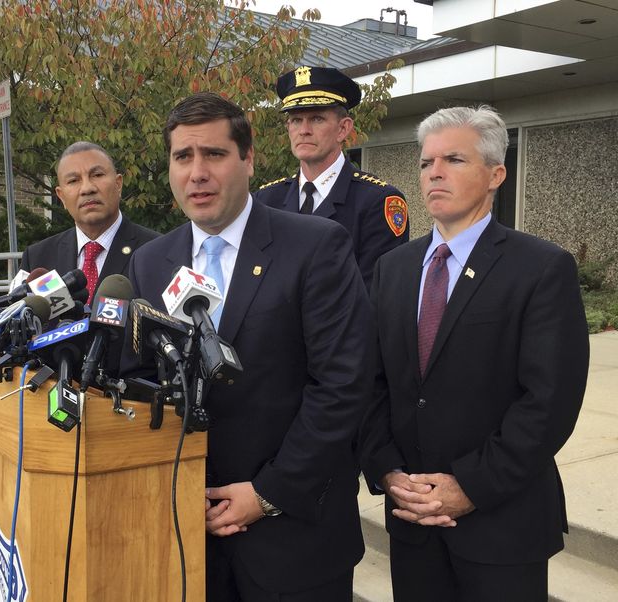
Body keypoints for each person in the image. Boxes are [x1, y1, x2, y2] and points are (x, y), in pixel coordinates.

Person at [126, 92, 373, 601]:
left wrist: (266, 494)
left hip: (293, 535)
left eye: (214, 154)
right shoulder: (150, 262)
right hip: (186, 531)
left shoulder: (315, 245)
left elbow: (343, 385)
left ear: (248, 159)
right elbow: (141, 382)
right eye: (182, 157)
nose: (197, 173)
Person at [360, 105, 589, 602]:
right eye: (426, 163)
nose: (434, 172)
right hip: (412, 519)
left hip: (501, 524)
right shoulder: (393, 268)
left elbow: (549, 401)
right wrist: (387, 471)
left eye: (454, 160)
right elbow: (374, 383)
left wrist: (470, 486)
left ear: (496, 174)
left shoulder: (541, 268)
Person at [254, 65, 408, 289]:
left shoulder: (377, 202)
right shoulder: (266, 200)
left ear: (343, 129)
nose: (304, 130)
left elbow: (375, 296)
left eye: (316, 119)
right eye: (296, 120)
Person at [19, 141, 158, 302]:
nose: (87, 188)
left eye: (97, 175)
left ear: (118, 184)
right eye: (73, 181)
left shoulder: (155, 253)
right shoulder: (38, 258)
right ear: (61, 196)